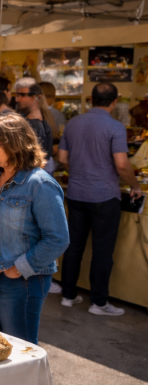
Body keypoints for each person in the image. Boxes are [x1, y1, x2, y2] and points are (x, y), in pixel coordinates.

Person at [0, 114, 69, 344]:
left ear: (16, 143)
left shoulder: (40, 184)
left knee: (19, 348)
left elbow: (58, 238)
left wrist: (19, 268)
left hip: (18, 280)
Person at [58, 83, 142, 316]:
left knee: (73, 247)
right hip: (104, 196)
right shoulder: (115, 127)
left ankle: (68, 295)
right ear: (114, 102)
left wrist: (77, 171)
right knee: (102, 251)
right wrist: (135, 185)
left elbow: (63, 157)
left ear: (90, 100)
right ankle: (99, 303)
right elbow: (122, 164)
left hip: (75, 193)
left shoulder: (73, 123)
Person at [14, 81, 55, 174]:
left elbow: (36, 158)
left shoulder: (36, 124)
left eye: (22, 95)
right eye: (17, 95)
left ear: (35, 97)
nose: (17, 99)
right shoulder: (37, 120)